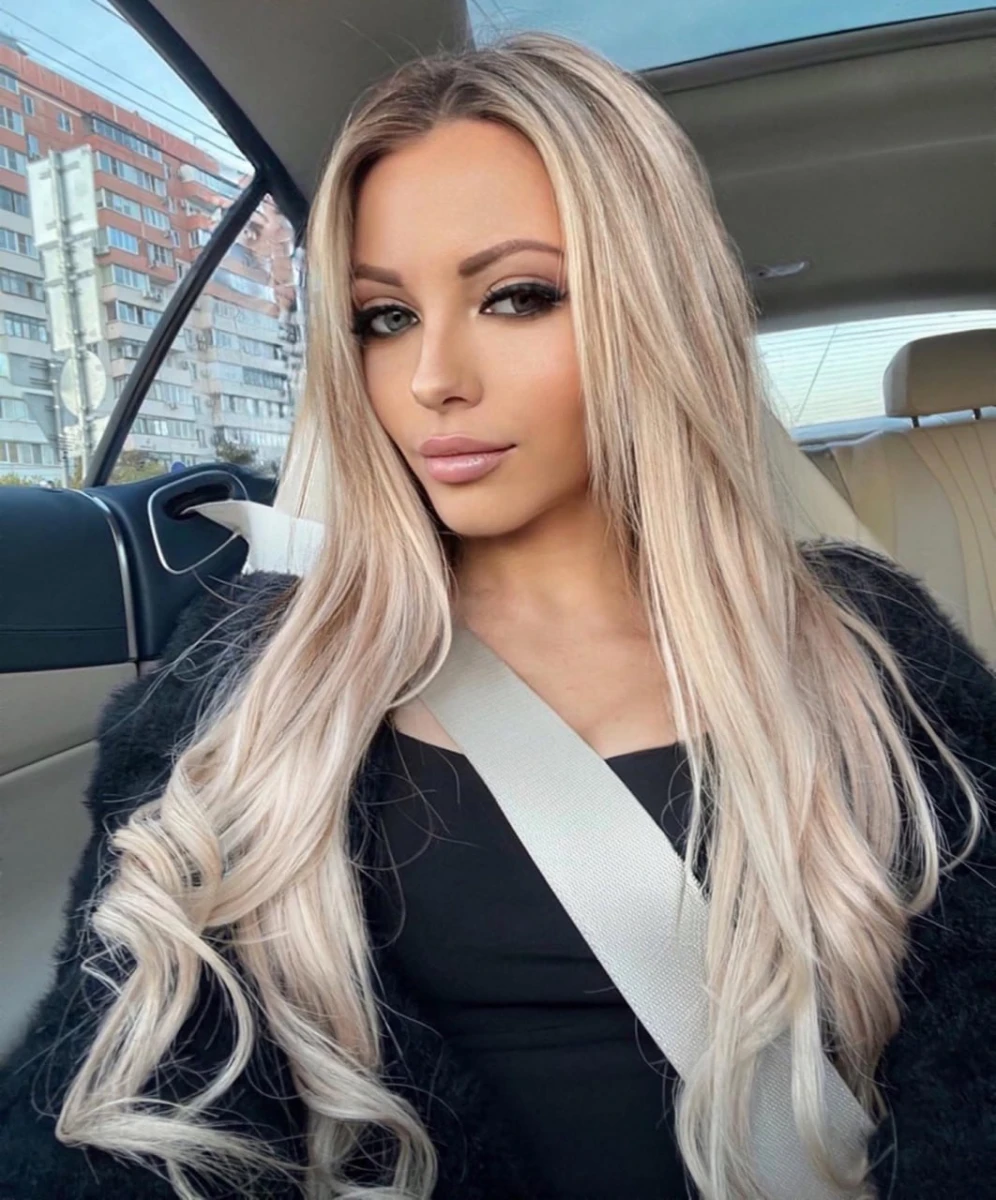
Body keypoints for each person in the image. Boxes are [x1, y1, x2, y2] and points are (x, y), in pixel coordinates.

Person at [1, 31, 993, 1200]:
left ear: (656, 309)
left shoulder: (867, 645)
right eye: (385, 317)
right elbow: (115, 1090)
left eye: (517, 297)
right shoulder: (257, 672)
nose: (433, 379)